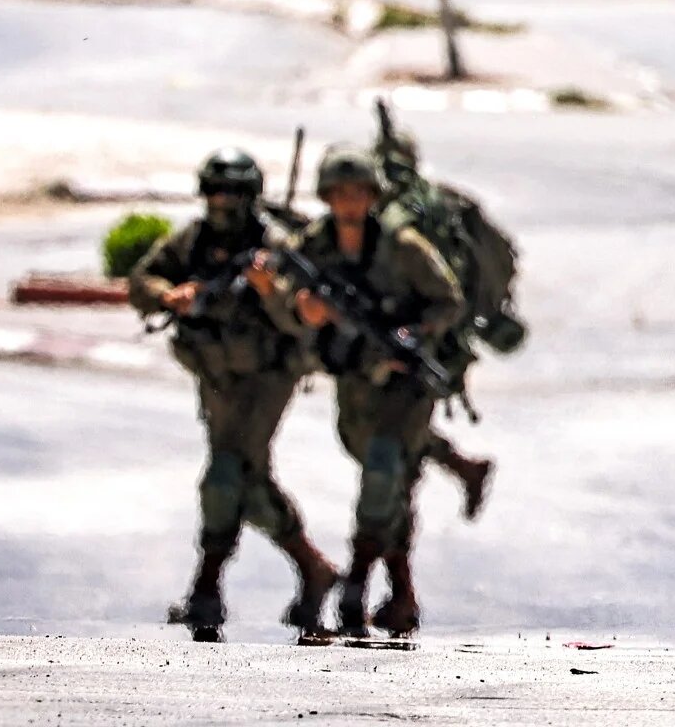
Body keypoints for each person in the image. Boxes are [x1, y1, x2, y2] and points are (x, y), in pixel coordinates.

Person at [128, 148, 336, 640]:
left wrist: (270, 290)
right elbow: (142, 278)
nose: (223, 202)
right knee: (248, 480)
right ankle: (313, 568)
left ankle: (208, 587)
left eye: (233, 193)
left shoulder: (275, 246)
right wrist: (167, 294)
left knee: (226, 473)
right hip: (216, 375)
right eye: (215, 192)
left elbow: (300, 315)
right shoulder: (194, 240)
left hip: (267, 377)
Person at [271, 146, 465, 639]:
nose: (350, 204)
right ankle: (402, 591)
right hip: (357, 383)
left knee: (384, 475)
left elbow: (448, 300)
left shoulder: (403, 246)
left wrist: (412, 334)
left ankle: (358, 580)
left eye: (358, 194)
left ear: (372, 196)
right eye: (340, 195)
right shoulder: (315, 244)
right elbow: (283, 290)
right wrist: (302, 310)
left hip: (406, 386)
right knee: (389, 484)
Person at [374, 127, 528, 519]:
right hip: (439, 342)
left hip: (427, 342)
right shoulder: (445, 202)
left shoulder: (400, 212)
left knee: (397, 449)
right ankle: (463, 468)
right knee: (385, 435)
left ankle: (393, 555)